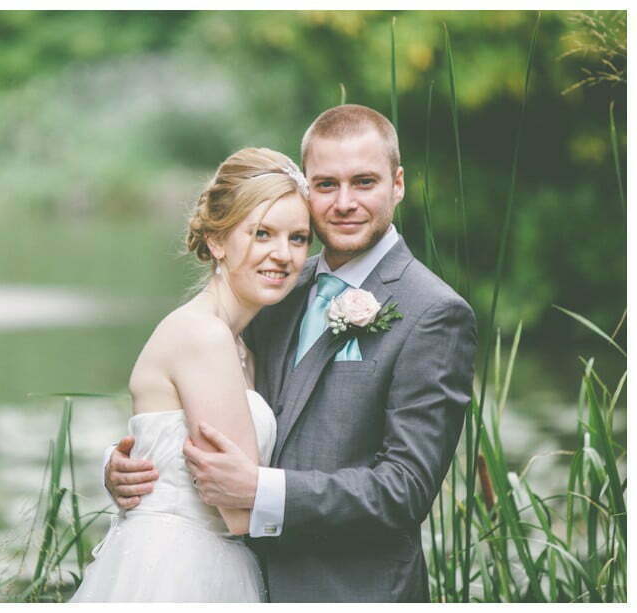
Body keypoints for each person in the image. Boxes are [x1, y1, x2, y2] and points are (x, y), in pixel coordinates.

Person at [106, 104, 478, 602]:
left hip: (349, 593)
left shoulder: (433, 312)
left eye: (364, 182)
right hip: (234, 580)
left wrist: (262, 492)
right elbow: (195, 397)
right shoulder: (277, 287)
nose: (344, 202)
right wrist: (132, 462)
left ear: (398, 184)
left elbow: (404, 490)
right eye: (326, 185)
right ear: (307, 187)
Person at [70, 147, 312, 602]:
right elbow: (238, 511)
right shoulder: (204, 337)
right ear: (217, 241)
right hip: (178, 570)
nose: (283, 254)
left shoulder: (242, 341)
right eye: (262, 234)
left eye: (298, 238)